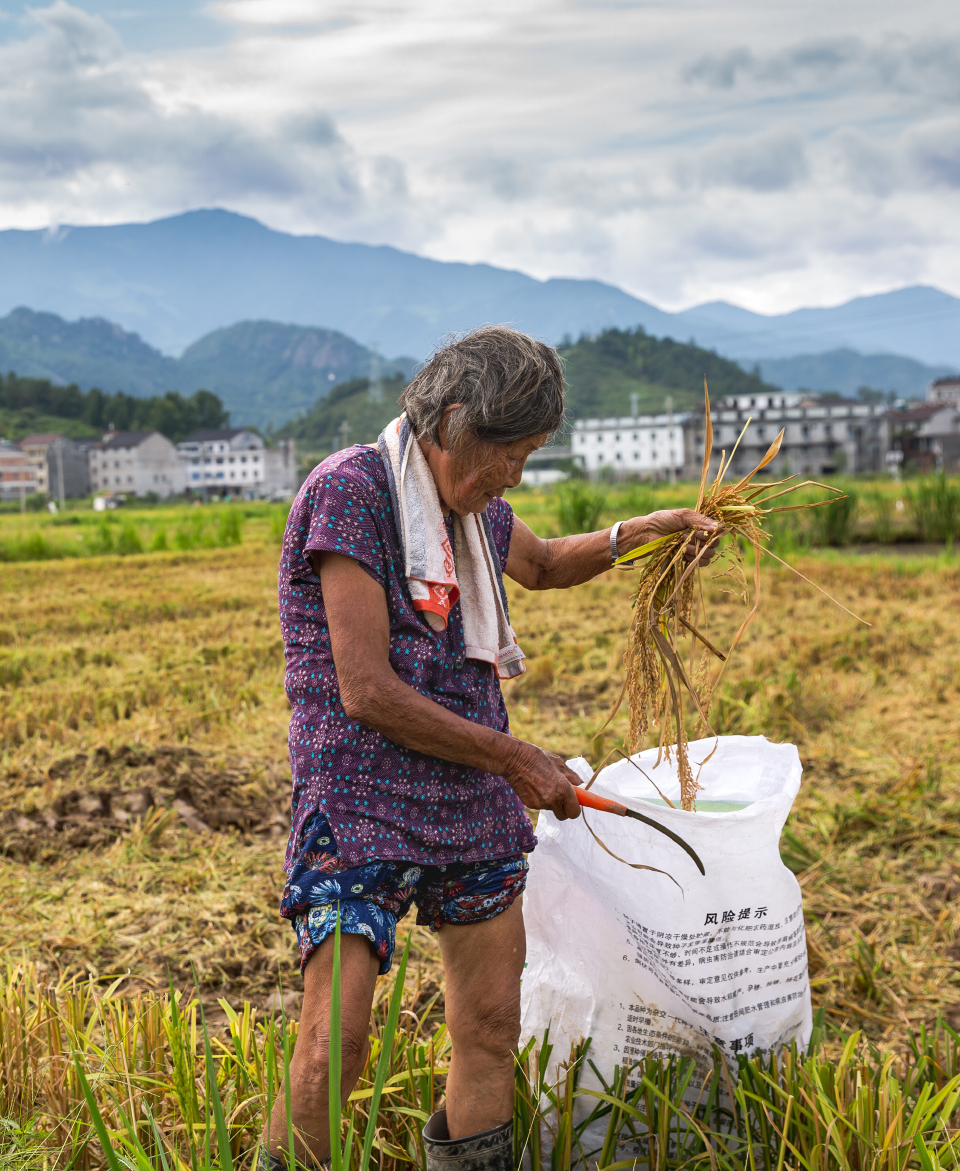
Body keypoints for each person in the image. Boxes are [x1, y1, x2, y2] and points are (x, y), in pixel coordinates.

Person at [261, 326, 718, 1171]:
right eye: (509, 451)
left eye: (530, 455)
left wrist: (643, 532)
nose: (515, 472)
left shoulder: (472, 511)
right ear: (455, 420)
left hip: (466, 797)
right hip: (361, 797)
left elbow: (542, 566)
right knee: (338, 1048)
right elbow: (366, 690)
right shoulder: (353, 491)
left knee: (488, 1028)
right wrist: (516, 760)